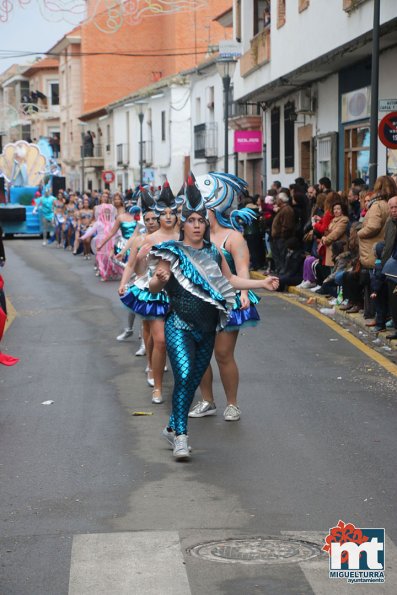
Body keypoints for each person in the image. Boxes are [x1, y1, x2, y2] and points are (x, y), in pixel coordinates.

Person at [148, 176, 279, 460]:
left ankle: (171, 427)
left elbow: (231, 279)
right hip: (178, 325)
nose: (196, 225)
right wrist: (159, 279)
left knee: (191, 381)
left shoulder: (213, 252)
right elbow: (153, 287)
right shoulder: (170, 253)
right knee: (183, 375)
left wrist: (261, 284)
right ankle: (181, 437)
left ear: (206, 223)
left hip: (208, 327)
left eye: (200, 220)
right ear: (182, 224)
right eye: (191, 220)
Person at [188, 172, 261, 422]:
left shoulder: (234, 237)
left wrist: (243, 293)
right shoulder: (195, 236)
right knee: (199, 354)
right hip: (200, 302)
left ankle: (232, 404)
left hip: (228, 302)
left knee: (222, 353)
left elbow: (242, 269)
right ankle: (207, 400)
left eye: (202, 207)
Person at [132, 181, 180, 402]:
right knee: (160, 340)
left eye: (173, 212)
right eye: (164, 213)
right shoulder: (149, 239)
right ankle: (158, 386)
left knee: (180, 343)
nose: (169, 217)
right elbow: (139, 270)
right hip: (158, 293)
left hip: (182, 294)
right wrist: (141, 259)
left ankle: (187, 387)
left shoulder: (185, 236)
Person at [119, 189, 161, 384]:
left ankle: (159, 360)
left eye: (154, 218)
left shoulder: (168, 238)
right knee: (147, 326)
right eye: (148, 219)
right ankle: (151, 366)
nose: (151, 222)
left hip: (167, 286)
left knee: (163, 330)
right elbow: (131, 265)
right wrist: (123, 284)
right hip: (145, 285)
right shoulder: (138, 240)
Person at [270, 192, 295, 273]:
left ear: (281, 200)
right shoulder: (282, 209)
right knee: (278, 256)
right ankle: (280, 271)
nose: (276, 201)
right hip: (277, 238)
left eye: (277, 199)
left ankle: (282, 272)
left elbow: (287, 226)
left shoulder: (286, 210)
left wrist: (282, 235)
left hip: (282, 238)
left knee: (282, 256)